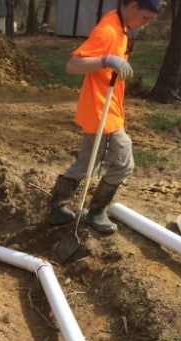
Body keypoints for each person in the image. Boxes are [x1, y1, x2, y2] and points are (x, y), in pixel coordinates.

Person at [48, 0, 163, 234]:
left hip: (102, 108)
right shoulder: (108, 31)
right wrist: (105, 60)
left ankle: (57, 207)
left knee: (89, 160)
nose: (145, 25)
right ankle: (97, 212)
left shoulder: (120, 26)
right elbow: (73, 65)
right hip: (102, 112)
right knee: (123, 162)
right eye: (145, 18)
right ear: (132, 5)